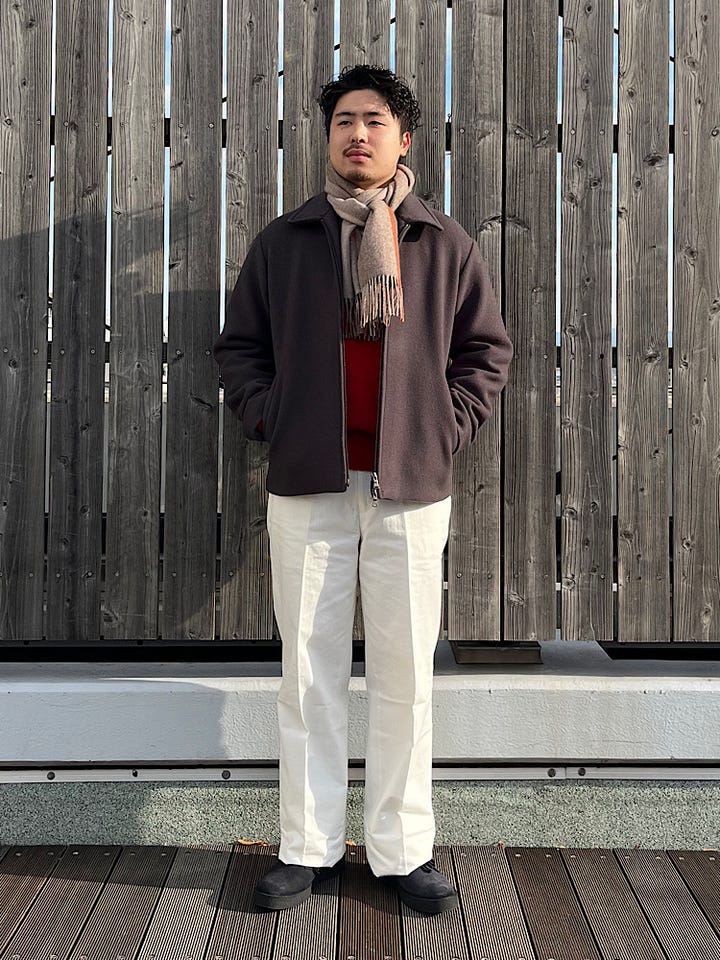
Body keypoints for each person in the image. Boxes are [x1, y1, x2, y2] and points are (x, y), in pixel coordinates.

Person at [214, 64, 512, 915]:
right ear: (329, 135)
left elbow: (485, 354)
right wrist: (273, 416)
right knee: (306, 676)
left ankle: (400, 851)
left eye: (374, 120)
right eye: (344, 119)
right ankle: (306, 848)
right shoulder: (286, 242)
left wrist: (442, 427)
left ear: (403, 138)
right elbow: (240, 349)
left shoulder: (443, 244)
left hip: (410, 488)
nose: (358, 134)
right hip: (308, 484)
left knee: (403, 677)